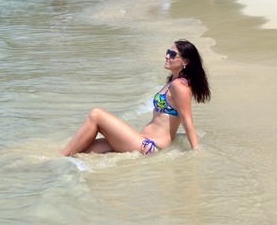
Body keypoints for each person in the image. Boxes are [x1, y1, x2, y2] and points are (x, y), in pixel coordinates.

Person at [61, 40, 211, 155]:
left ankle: (59, 159)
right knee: (83, 149)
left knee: (96, 115)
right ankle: (63, 164)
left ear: (185, 61)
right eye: (167, 52)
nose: (167, 56)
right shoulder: (172, 81)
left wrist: (196, 150)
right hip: (141, 139)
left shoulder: (180, 86)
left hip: (150, 146)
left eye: (172, 54)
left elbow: (187, 120)